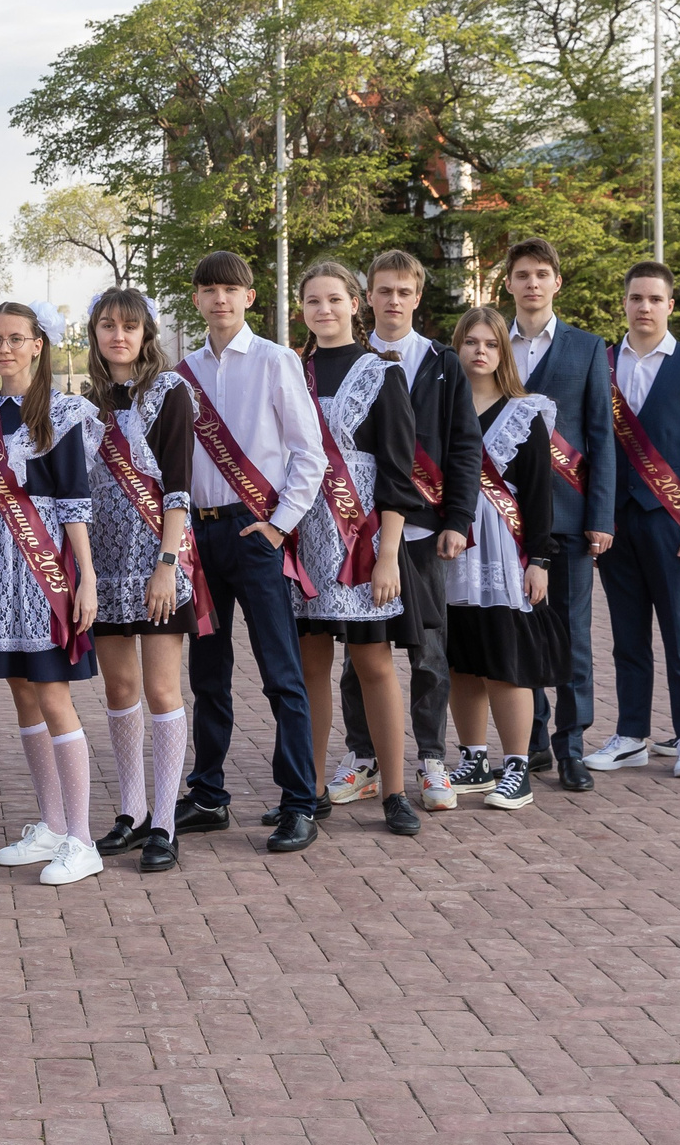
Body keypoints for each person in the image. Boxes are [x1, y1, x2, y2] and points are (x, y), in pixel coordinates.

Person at [177, 251, 330, 853]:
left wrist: (279, 525)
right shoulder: (182, 373)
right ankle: (209, 795)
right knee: (207, 674)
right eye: (209, 289)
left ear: (249, 298)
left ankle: (299, 802)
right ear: (196, 300)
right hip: (201, 536)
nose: (220, 299)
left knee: (280, 673)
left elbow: (307, 453)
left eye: (230, 290)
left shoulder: (275, 360)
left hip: (254, 533)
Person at [328, 251, 482, 815]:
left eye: (404, 291)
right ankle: (363, 756)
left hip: (425, 533)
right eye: (383, 290)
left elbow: (465, 446)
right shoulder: (348, 361)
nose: (393, 300)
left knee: (428, 653)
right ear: (367, 297)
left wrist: (458, 520)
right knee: (358, 657)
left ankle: (432, 758)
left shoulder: (442, 362)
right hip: (356, 531)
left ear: (418, 297)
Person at [0, 299, 104, 886]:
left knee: (52, 694)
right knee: (21, 691)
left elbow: (73, 501)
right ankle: (49, 824)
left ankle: (82, 837)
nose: (6, 348)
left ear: (39, 344)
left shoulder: (65, 411)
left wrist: (86, 578)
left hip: (46, 564)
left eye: (17, 338)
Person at [290, 261, 432, 836]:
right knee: (309, 667)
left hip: (362, 536)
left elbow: (400, 473)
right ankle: (313, 787)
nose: (323, 311)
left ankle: (394, 791)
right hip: (303, 534)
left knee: (373, 662)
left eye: (333, 300)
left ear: (356, 303)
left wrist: (391, 553)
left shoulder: (383, 374)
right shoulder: (289, 370)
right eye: (312, 302)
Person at [582, 261, 680, 779]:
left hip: (674, 522)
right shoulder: (601, 362)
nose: (644, 307)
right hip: (615, 520)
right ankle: (631, 735)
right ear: (624, 302)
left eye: (655, 299)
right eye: (636, 298)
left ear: (670, 306)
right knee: (627, 636)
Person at [80, 287, 199, 873]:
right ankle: (130, 812)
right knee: (119, 691)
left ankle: (165, 821)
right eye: (107, 325)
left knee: (161, 691)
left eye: (129, 326)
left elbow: (178, 483)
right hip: (104, 562)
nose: (118, 335)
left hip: (158, 558)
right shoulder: (90, 400)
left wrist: (167, 562)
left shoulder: (171, 392)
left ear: (146, 332)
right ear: (95, 333)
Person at [441, 306, 565, 813]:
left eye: (490, 344)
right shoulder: (440, 410)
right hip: (452, 548)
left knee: (506, 660)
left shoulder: (525, 412)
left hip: (502, 550)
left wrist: (540, 559)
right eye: (470, 342)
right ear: (457, 347)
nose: (480, 352)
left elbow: (539, 494)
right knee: (461, 660)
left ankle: (517, 765)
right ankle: (473, 758)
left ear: (504, 352)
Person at [503, 238, 615, 791]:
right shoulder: (488, 343)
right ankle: (531, 739)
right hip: (503, 518)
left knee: (571, 634)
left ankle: (570, 744)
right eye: (522, 274)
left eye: (542, 273)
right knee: (520, 631)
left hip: (569, 517)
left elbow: (601, 436)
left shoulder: (588, 347)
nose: (532, 283)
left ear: (557, 282)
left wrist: (602, 515)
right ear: (508, 284)